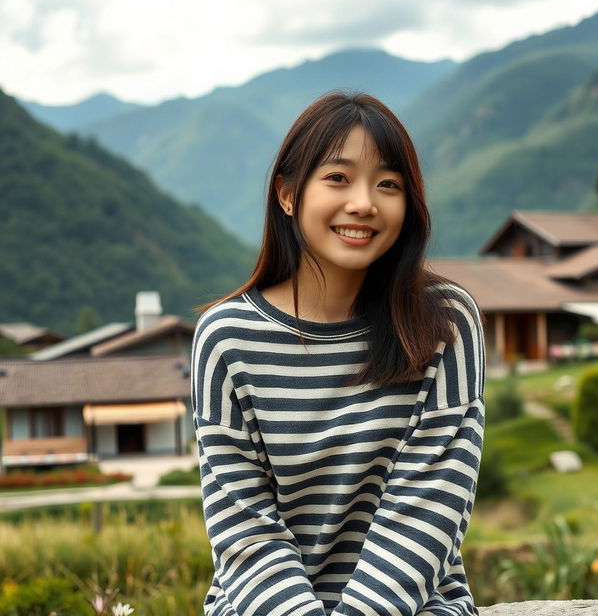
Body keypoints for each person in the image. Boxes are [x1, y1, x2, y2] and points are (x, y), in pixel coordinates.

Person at [190, 91, 486, 616]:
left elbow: (428, 510)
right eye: (338, 178)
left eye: (388, 184)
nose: (364, 203)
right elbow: (246, 528)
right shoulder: (225, 337)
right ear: (287, 194)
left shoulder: (445, 322)